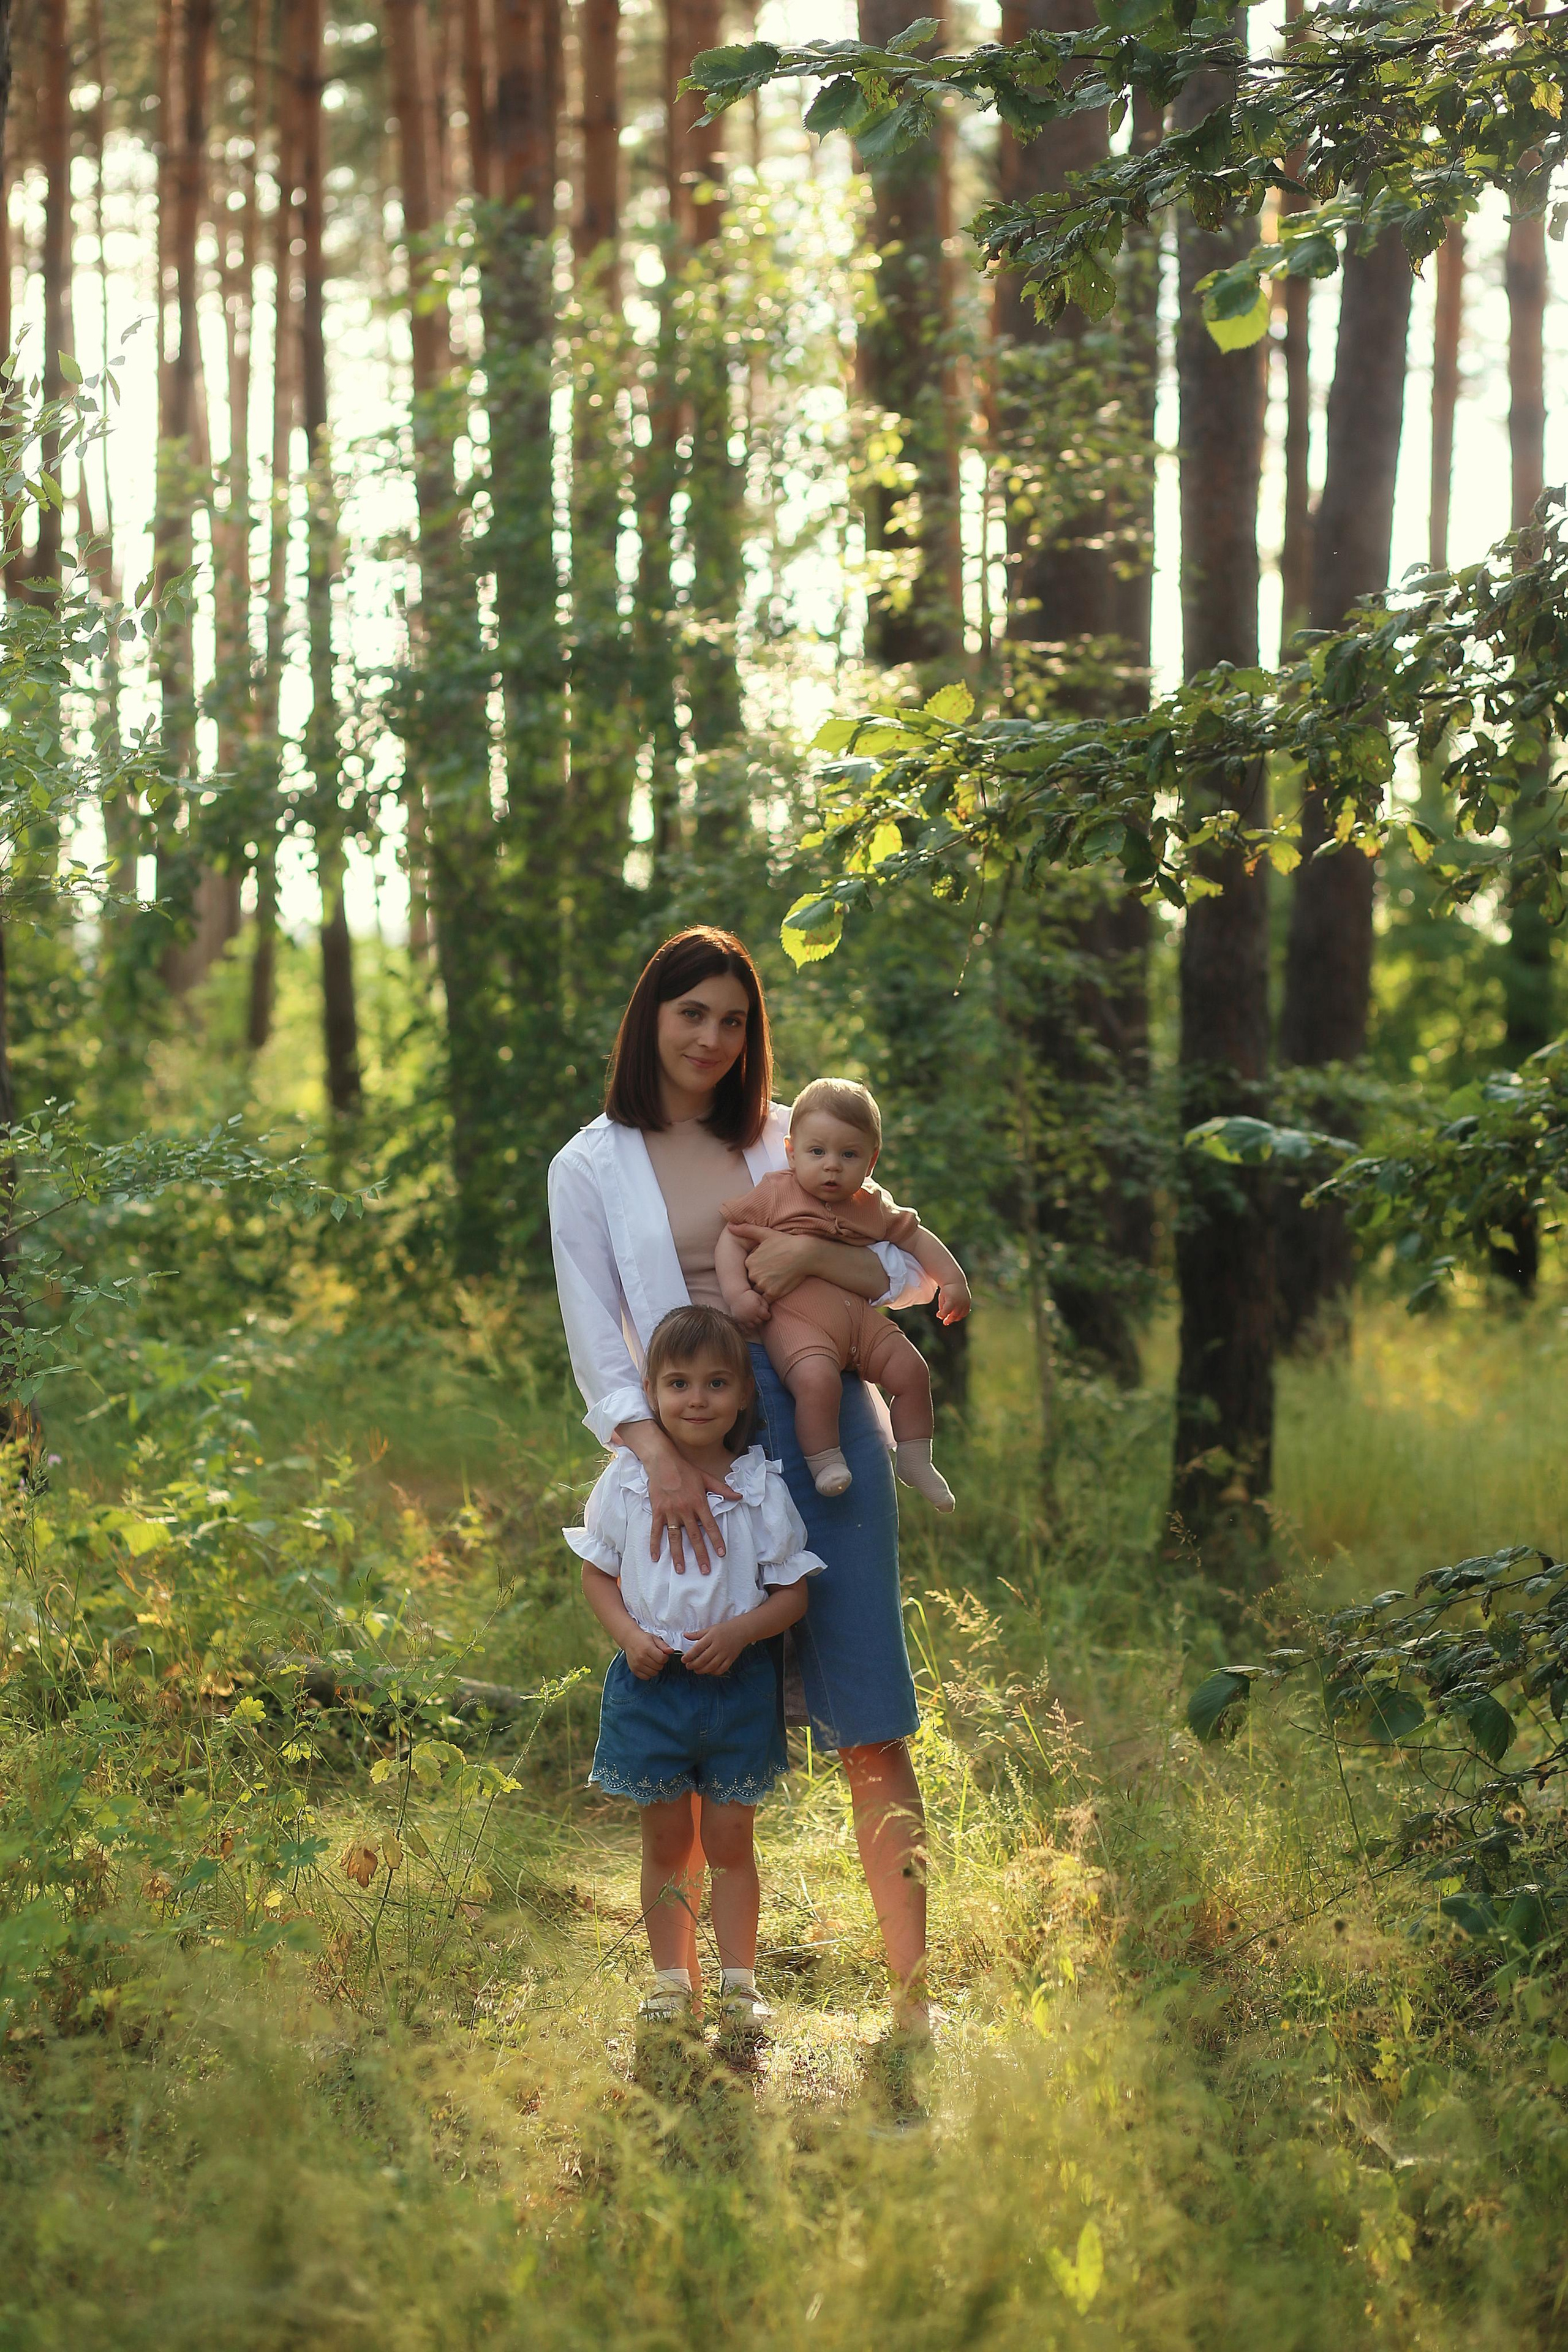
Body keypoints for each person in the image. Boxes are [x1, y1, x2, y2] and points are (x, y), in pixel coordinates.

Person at [549, 925, 955, 2034]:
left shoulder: (789, 1137)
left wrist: (814, 1258)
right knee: (688, 1701)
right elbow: (595, 1342)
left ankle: (915, 2004)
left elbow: (913, 1270)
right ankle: (685, 1992)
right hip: (688, 1440)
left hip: (827, 1430)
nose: (714, 1039)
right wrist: (654, 1460)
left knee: (871, 1718)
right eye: (693, 1014)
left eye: (735, 1020)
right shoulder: (588, 1163)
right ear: (651, 1019)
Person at [567, 1305, 823, 2033]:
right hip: (652, 1683)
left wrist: (743, 1633)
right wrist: (627, 1636)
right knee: (666, 1842)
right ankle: (672, 1983)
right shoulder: (624, 1483)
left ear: (744, 1395)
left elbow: (794, 1592)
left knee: (731, 1840)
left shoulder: (759, 1486)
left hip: (737, 1687)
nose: (697, 1399)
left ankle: (740, 1984)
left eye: (716, 1383)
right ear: (649, 1394)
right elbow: (596, 1576)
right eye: (677, 1383)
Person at [715, 1076, 971, 1510]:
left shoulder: (871, 1203)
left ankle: (915, 1458)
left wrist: (953, 1280)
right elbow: (732, 1238)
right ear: (792, 1152)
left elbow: (918, 1239)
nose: (832, 1166)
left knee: (913, 1371)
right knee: (817, 1382)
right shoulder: (777, 1193)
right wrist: (738, 1294)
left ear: (871, 1161)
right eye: (817, 1152)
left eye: (848, 1155)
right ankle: (825, 1460)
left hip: (862, 1323)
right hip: (800, 1324)